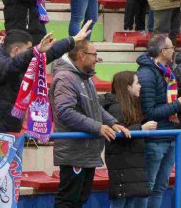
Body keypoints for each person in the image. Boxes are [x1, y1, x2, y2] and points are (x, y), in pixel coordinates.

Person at [50, 39, 129, 207]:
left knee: (79, 200)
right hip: (74, 153)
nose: (97, 59)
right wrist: (97, 127)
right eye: (94, 55)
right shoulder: (66, 78)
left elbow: (95, 107)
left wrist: (112, 122)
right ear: (81, 55)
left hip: (86, 152)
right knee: (68, 201)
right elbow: (65, 112)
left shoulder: (85, 78)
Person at [0, 26, 86, 134]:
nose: (30, 52)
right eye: (29, 49)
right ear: (17, 50)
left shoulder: (13, 57)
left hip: (9, 122)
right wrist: (36, 51)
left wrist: (71, 41)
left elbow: (44, 55)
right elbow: (13, 65)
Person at [136, 34, 181, 207]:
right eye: (171, 48)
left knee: (160, 187)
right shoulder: (146, 74)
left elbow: (167, 103)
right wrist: (177, 105)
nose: (174, 50)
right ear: (163, 51)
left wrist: (180, 106)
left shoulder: (167, 72)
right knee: (148, 187)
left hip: (169, 135)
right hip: (155, 138)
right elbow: (149, 111)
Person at [102, 71, 157, 207]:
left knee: (130, 202)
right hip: (121, 163)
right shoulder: (115, 107)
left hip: (132, 162)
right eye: (137, 83)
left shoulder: (131, 106)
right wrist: (141, 129)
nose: (140, 86)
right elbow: (118, 134)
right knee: (120, 203)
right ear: (127, 87)